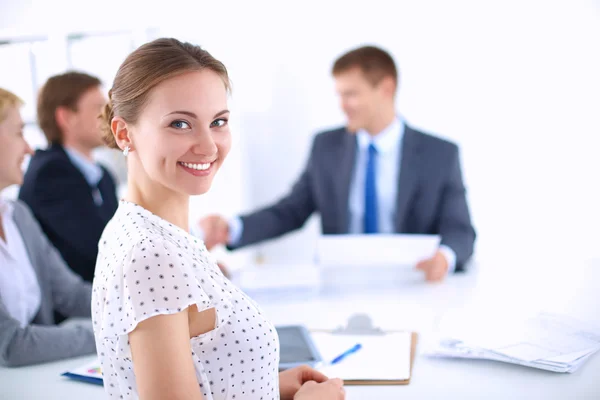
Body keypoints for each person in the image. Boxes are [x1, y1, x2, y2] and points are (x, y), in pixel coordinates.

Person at [93, 38, 345, 400]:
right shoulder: (151, 255)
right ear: (123, 133)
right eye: (180, 124)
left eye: (218, 121)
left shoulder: (147, 231)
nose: (208, 146)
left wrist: (263, 387)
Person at [201, 45, 476, 282]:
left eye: (351, 94)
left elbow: (459, 229)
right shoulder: (326, 147)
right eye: (339, 95)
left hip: (413, 285)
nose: (343, 105)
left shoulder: (439, 154)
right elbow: (291, 211)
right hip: (342, 286)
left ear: (386, 88)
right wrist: (232, 229)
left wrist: (445, 258)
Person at [0, 88, 95, 367]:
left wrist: (144, 308)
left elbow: (72, 294)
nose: (29, 148)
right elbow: (12, 345)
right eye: (19, 133)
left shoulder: (18, 216)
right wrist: (113, 333)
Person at [19, 72, 118, 283]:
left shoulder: (102, 175)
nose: (109, 115)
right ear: (66, 117)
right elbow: (101, 249)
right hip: (75, 308)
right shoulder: (51, 174)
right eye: (98, 108)